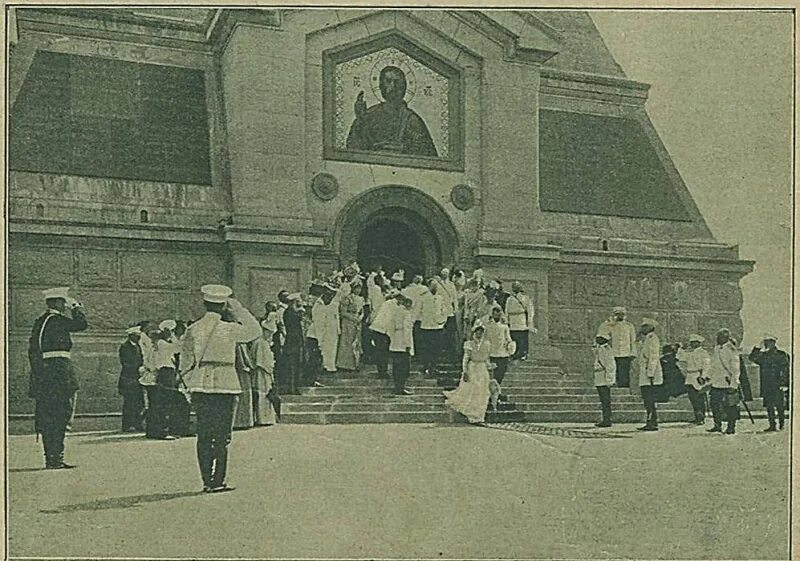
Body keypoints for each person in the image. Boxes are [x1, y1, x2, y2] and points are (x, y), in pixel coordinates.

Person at [179, 284, 261, 493]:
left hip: (200, 384)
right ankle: (218, 481)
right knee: (223, 437)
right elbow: (255, 331)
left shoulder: (193, 328)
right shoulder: (229, 328)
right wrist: (239, 310)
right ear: (224, 305)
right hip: (227, 384)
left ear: (205, 303)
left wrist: (190, 384)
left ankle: (206, 481)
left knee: (204, 435)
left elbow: (185, 363)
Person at [28, 287, 87, 469]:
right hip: (60, 374)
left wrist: (40, 374)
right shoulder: (57, 320)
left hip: (46, 376)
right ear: (55, 302)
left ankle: (52, 458)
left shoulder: (41, 321)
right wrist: (76, 307)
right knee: (61, 415)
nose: (64, 305)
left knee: (48, 417)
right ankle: (56, 458)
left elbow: (33, 351)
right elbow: (82, 324)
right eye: (63, 302)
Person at [346, 65, 438, 157]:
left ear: (404, 87)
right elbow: (353, 149)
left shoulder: (412, 120)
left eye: (397, 82)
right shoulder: (370, 115)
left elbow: (428, 155)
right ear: (381, 86)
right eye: (388, 81)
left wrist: (402, 149)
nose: (393, 86)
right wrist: (360, 120)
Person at [444, 321, 493, 425]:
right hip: (473, 368)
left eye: (481, 332)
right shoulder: (469, 344)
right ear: (474, 332)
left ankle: (479, 416)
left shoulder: (487, 344)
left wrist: (490, 367)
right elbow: (465, 358)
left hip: (482, 368)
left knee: (483, 392)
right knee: (471, 390)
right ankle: (471, 414)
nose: (479, 334)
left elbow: (487, 358)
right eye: (477, 332)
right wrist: (465, 371)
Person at [749, 334, 790, 432]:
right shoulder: (763, 355)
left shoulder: (781, 354)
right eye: (766, 342)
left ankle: (781, 424)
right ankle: (772, 425)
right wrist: (758, 347)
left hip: (778, 384)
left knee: (780, 406)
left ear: (774, 343)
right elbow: (752, 358)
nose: (767, 344)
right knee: (769, 406)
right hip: (767, 385)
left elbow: (786, 370)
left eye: (769, 342)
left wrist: (784, 384)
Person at [707, 328, 740, 435]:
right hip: (716, 381)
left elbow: (735, 367)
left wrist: (734, 384)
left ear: (725, 338)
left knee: (730, 406)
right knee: (714, 404)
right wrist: (708, 376)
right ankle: (717, 425)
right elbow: (714, 364)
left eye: (719, 337)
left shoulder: (731, 349)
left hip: (727, 382)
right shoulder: (716, 348)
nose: (717, 338)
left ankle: (731, 427)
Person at [597, 306, 637, 388]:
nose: (620, 316)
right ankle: (613, 385)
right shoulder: (610, 325)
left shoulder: (629, 326)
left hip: (625, 352)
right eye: (618, 314)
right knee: (612, 369)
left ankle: (624, 387)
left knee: (624, 371)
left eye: (621, 314)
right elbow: (604, 336)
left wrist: (633, 352)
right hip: (614, 352)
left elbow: (633, 340)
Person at [250, 317, 279, 426]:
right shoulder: (260, 343)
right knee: (263, 394)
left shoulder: (264, 343)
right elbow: (260, 361)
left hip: (266, 372)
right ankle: (263, 418)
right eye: (269, 333)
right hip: (261, 372)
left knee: (267, 394)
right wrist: (270, 366)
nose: (270, 336)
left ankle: (267, 417)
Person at [678, 334, 711, 425]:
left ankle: (701, 418)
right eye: (691, 342)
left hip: (698, 376)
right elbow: (680, 358)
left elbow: (706, 365)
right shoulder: (690, 353)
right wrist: (681, 349)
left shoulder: (703, 353)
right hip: (689, 377)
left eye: (693, 342)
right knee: (693, 398)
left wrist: (703, 376)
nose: (691, 344)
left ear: (698, 343)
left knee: (699, 398)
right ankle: (697, 417)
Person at [637, 318, 663, 432]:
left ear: (650, 327)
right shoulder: (647, 339)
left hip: (650, 374)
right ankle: (650, 421)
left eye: (644, 326)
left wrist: (651, 373)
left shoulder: (653, 338)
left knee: (650, 399)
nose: (642, 328)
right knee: (647, 399)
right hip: (646, 374)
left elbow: (653, 357)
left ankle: (653, 422)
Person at [118, 326, 145, 432]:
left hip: (137, 378)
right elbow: (125, 363)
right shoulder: (125, 347)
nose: (138, 338)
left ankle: (137, 423)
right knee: (129, 403)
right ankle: (127, 425)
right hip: (128, 379)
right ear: (131, 336)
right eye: (136, 336)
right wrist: (137, 368)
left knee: (138, 402)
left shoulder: (138, 346)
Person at [419, 278, 447, 377]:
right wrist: (423, 319)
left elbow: (444, 311)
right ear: (428, 286)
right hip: (426, 326)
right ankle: (426, 366)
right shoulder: (423, 297)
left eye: (436, 285)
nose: (435, 287)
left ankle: (433, 367)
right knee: (426, 348)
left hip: (437, 327)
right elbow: (418, 310)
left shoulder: (440, 298)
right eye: (433, 285)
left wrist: (442, 321)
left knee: (436, 349)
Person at [369, 289, 399, 379]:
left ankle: (382, 371)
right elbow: (389, 320)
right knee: (382, 352)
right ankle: (382, 372)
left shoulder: (387, 304)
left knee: (382, 352)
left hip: (381, 329)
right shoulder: (391, 304)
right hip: (381, 330)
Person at [312, 284, 340, 376]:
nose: (330, 296)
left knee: (332, 347)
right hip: (323, 328)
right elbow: (318, 320)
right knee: (324, 346)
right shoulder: (319, 304)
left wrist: (338, 329)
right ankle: (325, 365)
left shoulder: (334, 303)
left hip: (333, 328)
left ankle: (331, 365)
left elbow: (337, 317)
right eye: (328, 293)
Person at [388, 295, 414, 395]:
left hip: (395, 341)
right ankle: (401, 387)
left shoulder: (395, 312)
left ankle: (397, 386)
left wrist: (392, 338)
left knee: (396, 366)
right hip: (403, 343)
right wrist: (408, 344)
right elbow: (407, 330)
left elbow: (390, 327)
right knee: (404, 366)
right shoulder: (406, 314)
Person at [336, 280, 364, 371]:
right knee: (347, 342)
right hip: (348, 321)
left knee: (356, 342)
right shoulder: (347, 298)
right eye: (356, 288)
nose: (358, 290)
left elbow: (362, 311)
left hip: (357, 321)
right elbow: (343, 312)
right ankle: (345, 364)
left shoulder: (361, 299)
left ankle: (355, 364)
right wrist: (353, 318)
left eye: (360, 288)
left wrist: (360, 318)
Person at [484, 305, 514, 385]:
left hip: (503, 353)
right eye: (495, 314)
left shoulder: (504, 326)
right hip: (492, 353)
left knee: (501, 372)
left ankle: (497, 389)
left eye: (499, 314)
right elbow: (485, 339)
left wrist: (510, 346)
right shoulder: (488, 326)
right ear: (492, 315)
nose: (497, 316)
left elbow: (508, 338)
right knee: (493, 374)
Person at [504, 281, 535, 361]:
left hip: (521, 319)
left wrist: (529, 321)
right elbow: (506, 311)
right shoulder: (509, 299)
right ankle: (514, 353)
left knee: (522, 337)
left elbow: (530, 310)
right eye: (514, 286)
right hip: (513, 320)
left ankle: (523, 353)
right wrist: (507, 321)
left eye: (517, 286)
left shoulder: (525, 298)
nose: (515, 288)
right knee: (514, 337)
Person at [282, 293, 306, 394]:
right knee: (291, 365)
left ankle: (295, 387)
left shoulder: (293, 312)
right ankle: (291, 387)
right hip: (292, 342)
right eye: (298, 301)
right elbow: (297, 319)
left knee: (296, 365)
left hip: (296, 342)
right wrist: (301, 310)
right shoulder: (289, 312)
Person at [592, 334, 617, 427]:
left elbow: (610, 365)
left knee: (605, 400)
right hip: (600, 377)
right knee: (603, 400)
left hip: (604, 378)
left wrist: (609, 380)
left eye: (599, 338)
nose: (596, 339)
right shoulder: (600, 348)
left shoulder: (605, 349)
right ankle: (605, 419)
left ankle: (607, 420)